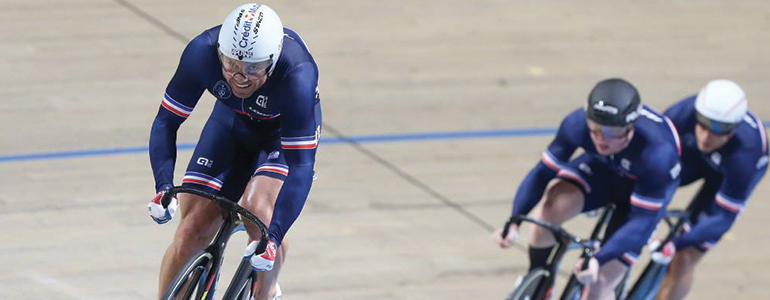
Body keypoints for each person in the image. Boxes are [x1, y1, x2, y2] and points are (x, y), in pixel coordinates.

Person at [145, 3, 321, 299]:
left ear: (273, 60)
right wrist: (163, 186)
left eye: (253, 68)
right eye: (231, 65)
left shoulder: (298, 75)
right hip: (230, 123)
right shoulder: (202, 51)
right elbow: (166, 121)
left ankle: (266, 291)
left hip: (279, 134)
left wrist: (273, 239)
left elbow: (301, 167)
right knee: (191, 230)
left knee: (259, 213)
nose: (240, 77)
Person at [493, 78, 682, 299]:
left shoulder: (658, 153)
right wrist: (515, 218)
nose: (601, 138)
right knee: (550, 209)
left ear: (630, 128)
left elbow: (641, 221)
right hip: (603, 170)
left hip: (643, 192)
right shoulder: (577, 124)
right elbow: (542, 173)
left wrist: (599, 259)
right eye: (595, 128)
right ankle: (535, 280)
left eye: (612, 132)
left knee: (599, 284)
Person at [654, 80, 767, 300]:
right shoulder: (684, 113)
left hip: (726, 176)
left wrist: (677, 244)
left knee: (684, 257)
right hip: (693, 158)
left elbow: (723, 218)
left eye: (717, 131)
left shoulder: (747, 154)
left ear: (733, 129)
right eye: (703, 125)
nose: (706, 137)